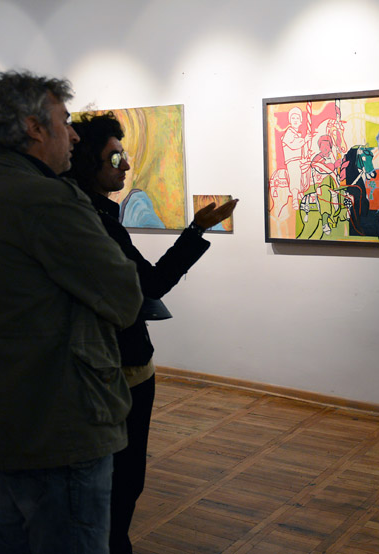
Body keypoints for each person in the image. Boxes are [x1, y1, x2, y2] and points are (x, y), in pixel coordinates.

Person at [0, 70, 143, 554]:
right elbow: (126, 297)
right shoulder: (47, 200)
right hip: (59, 429)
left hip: (5, 425)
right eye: (65, 121)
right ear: (35, 128)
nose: (74, 136)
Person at [65, 112, 237, 554]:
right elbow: (152, 283)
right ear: (87, 161)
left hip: (121, 367)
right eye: (114, 157)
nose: (125, 165)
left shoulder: (96, 216)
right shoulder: (93, 222)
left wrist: (197, 229)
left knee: (122, 482)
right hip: (119, 370)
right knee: (121, 481)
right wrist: (196, 231)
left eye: (124, 155)